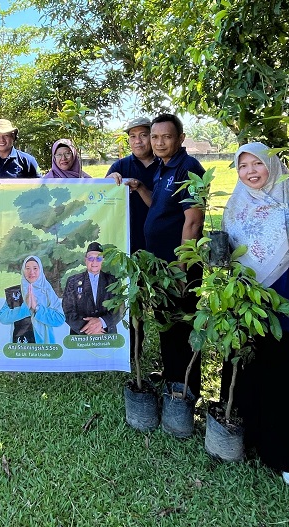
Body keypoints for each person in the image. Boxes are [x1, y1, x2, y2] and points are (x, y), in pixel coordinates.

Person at [220, 142, 289, 491]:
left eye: (257, 163)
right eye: (243, 166)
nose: (250, 171)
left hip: (288, 295)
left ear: (272, 165)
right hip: (245, 298)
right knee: (251, 365)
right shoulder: (236, 203)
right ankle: (251, 436)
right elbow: (228, 251)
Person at [125, 113, 205, 396]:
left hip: (179, 265)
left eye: (166, 137)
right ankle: (172, 375)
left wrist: (181, 268)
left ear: (180, 138)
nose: (159, 143)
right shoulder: (163, 167)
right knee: (165, 322)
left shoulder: (189, 169)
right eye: (155, 137)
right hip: (160, 264)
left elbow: (193, 222)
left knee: (182, 324)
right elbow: (158, 205)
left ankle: (186, 386)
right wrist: (141, 188)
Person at [107, 117, 158, 251]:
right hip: (128, 240)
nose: (137, 141)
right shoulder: (120, 166)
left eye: (143, 135)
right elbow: (104, 201)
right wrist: (108, 182)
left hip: (159, 238)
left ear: (152, 137)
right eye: (133, 136)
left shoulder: (164, 165)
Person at [0, 255, 65, 344]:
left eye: (35, 268)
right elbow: (3, 318)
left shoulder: (47, 291)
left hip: (44, 346)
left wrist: (37, 308)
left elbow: (59, 319)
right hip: (20, 346)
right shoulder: (15, 292)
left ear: (40, 270)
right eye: (27, 268)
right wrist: (25, 308)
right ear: (23, 270)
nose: (31, 272)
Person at [62, 242, 121, 335]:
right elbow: (67, 311)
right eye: (90, 258)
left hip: (106, 334)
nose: (94, 262)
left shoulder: (113, 281)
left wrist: (102, 322)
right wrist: (90, 329)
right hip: (79, 336)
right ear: (85, 260)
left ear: (103, 260)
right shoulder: (72, 281)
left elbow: (119, 309)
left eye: (98, 258)